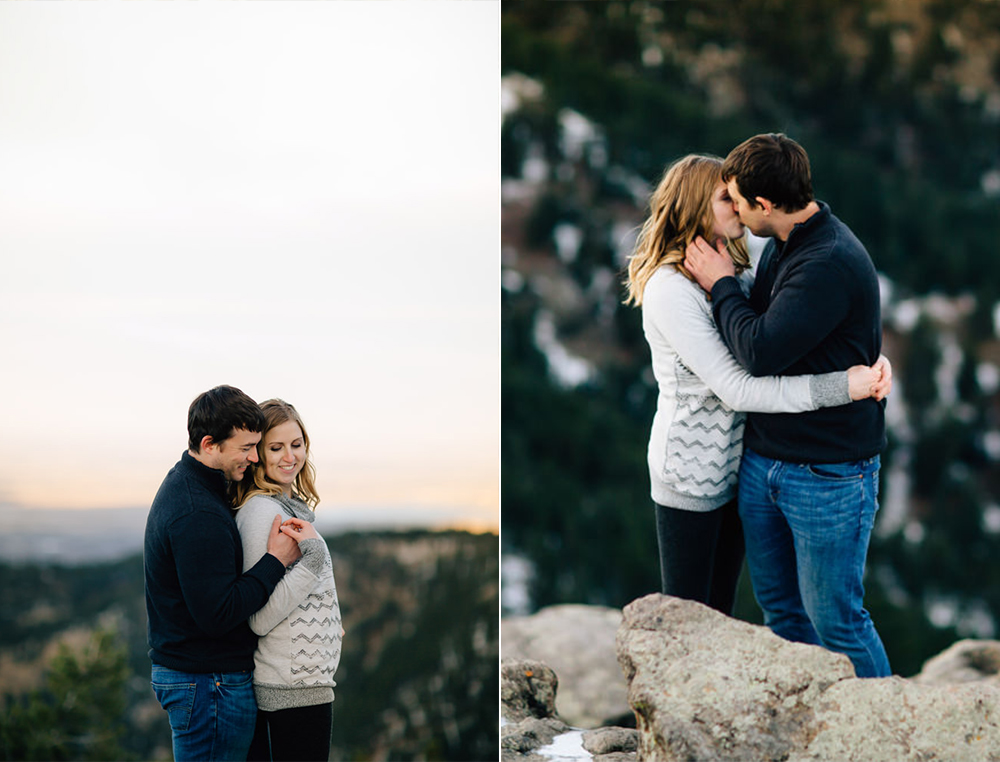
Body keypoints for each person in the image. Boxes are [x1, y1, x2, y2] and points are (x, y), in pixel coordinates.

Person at [624, 153, 890, 618]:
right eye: (727, 199)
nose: (739, 208)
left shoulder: (737, 268)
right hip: (691, 473)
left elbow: (789, 335)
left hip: (737, 468)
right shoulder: (671, 290)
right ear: (695, 207)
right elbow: (740, 389)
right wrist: (842, 386)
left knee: (722, 616)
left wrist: (866, 357)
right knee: (687, 619)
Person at [684, 133, 891, 678]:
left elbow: (759, 351)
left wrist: (720, 282)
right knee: (782, 614)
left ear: (765, 205)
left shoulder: (827, 259)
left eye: (736, 199)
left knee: (839, 623)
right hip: (765, 461)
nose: (731, 209)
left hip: (828, 473)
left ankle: (883, 734)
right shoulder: (785, 242)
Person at [144, 385, 310, 761]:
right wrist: (276, 561)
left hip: (204, 681)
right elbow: (218, 614)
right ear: (209, 444)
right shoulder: (196, 511)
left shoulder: (194, 485)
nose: (253, 458)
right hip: (207, 685)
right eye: (245, 448)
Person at [232, 399, 342, 762]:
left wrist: (330, 623)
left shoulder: (285, 505)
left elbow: (296, 593)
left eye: (296, 445)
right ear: (258, 454)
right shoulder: (262, 511)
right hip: (291, 687)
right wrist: (314, 560)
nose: (288, 456)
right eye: (275, 448)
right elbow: (259, 616)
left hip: (305, 684)